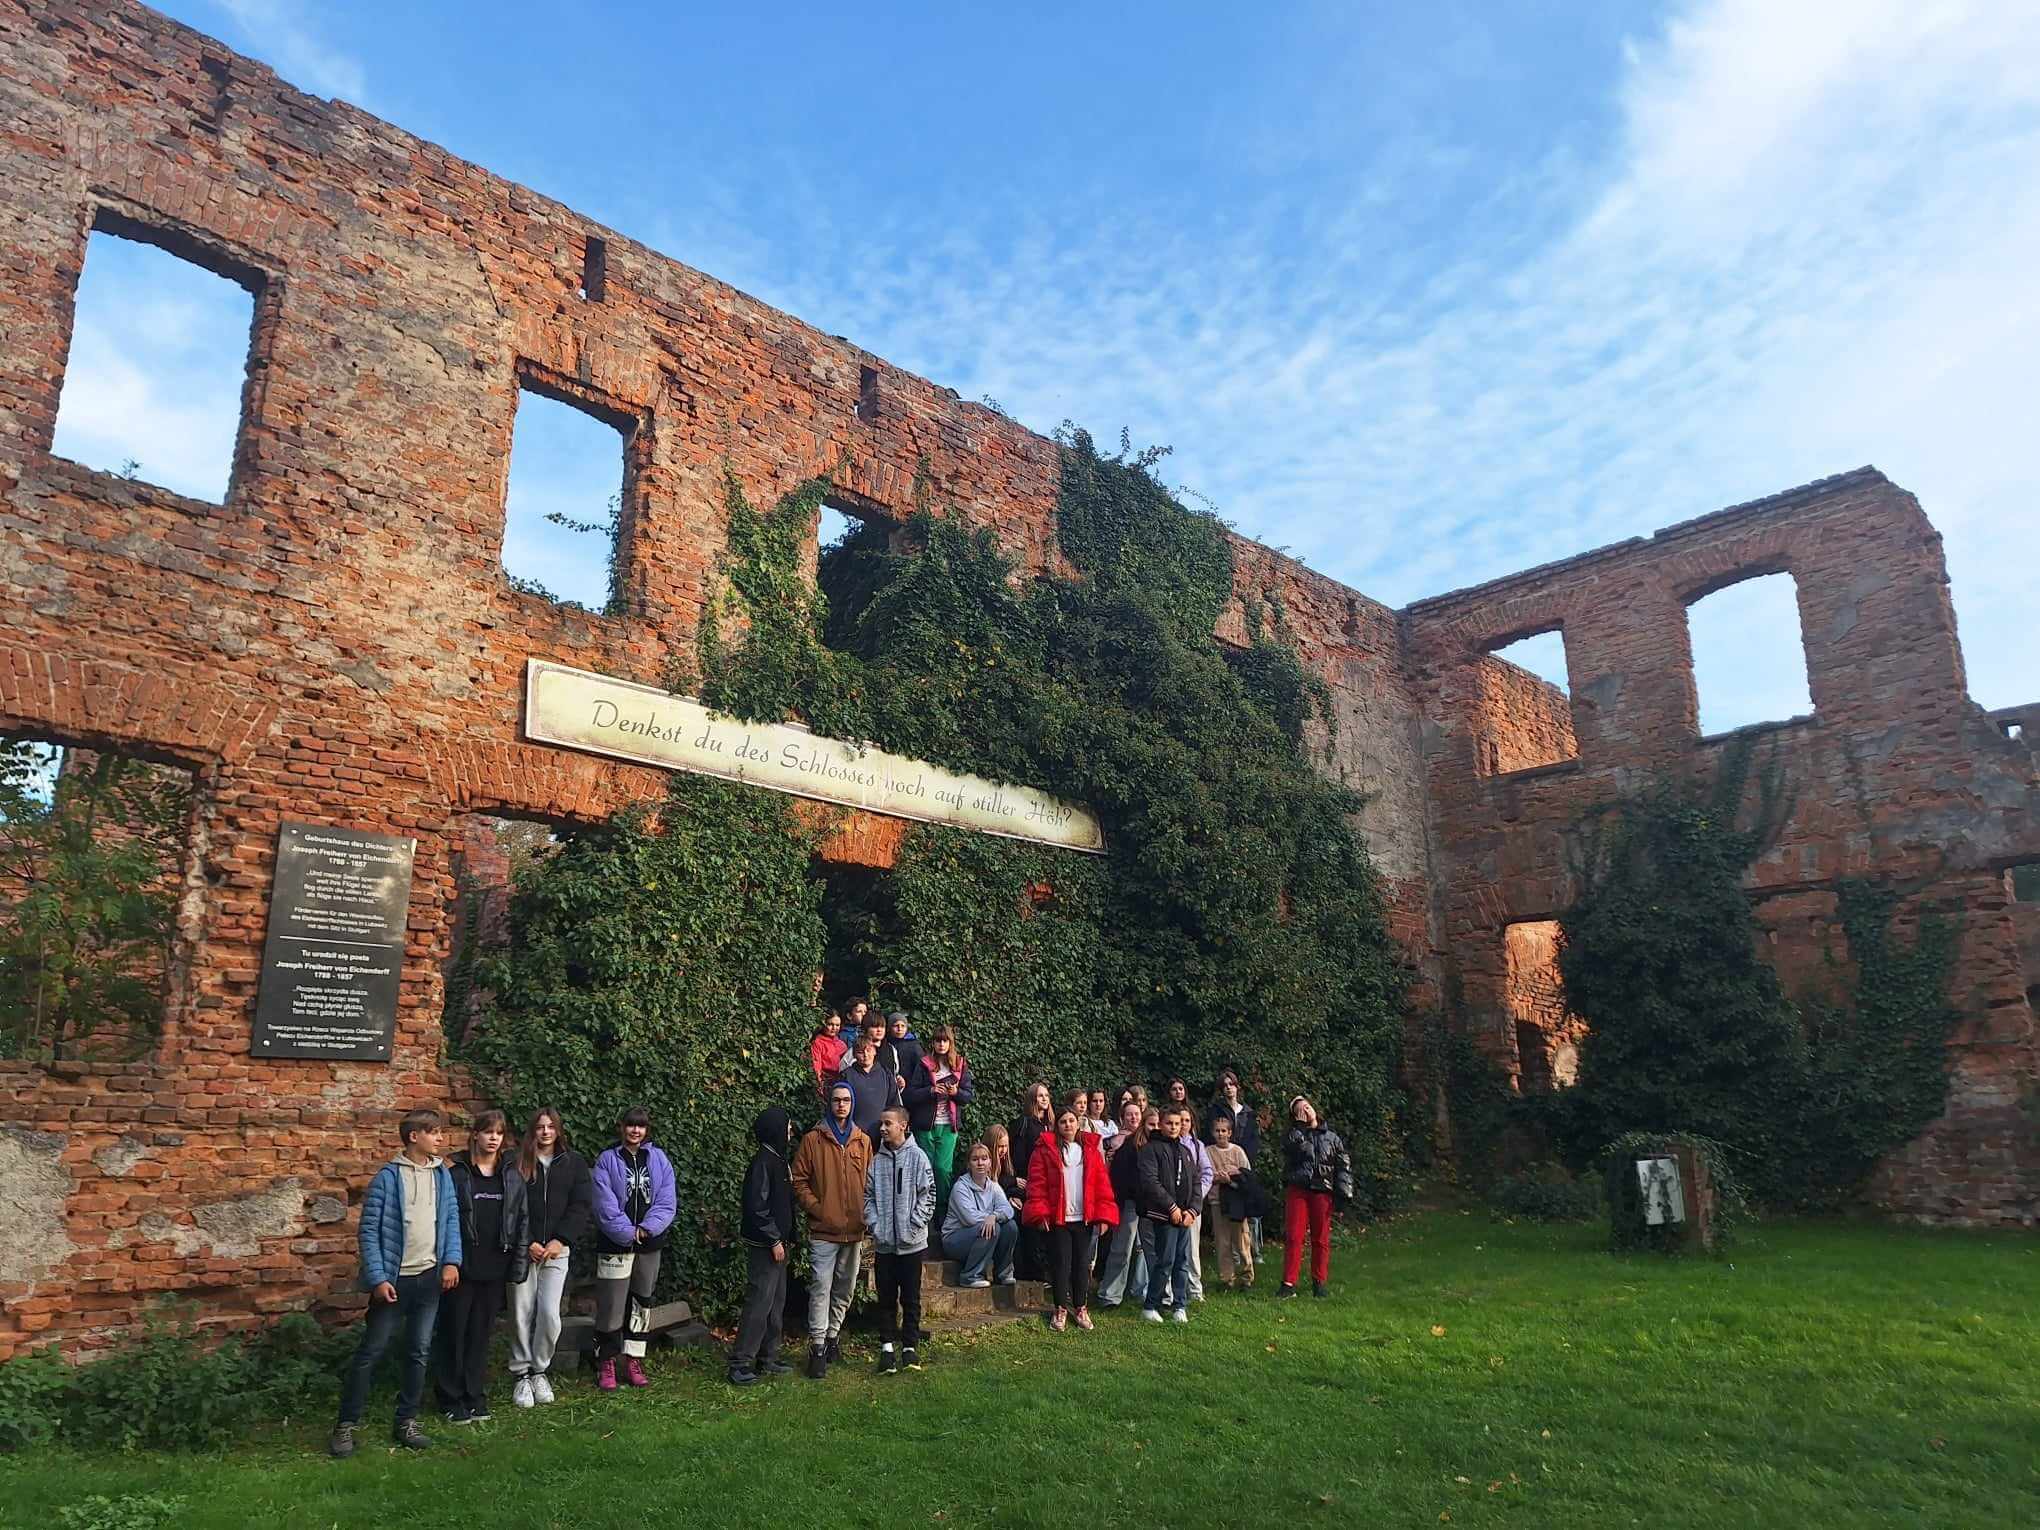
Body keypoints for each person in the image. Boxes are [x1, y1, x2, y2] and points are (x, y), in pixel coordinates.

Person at [330, 1107, 462, 1457]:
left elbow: (451, 1221)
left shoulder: (442, 1176)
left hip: (429, 1280)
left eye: (440, 1132)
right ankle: (346, 1425)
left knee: (418, 1352)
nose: (440, 1138)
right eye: (433, 1132)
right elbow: (369, 1230)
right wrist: (376, 1278)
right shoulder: (388, 1177)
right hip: (392, 1284)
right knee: (370, 1352)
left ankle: (407, 1420)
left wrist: (451, 1262)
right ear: (413, 1136)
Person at [435, 1110, 529, 1423]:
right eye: (487, 1132)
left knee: (480, 1334)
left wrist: (517, 1263)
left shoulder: (511, 1173)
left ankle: (475, 1395)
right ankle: (450, 1397)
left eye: (499, 1134)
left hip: (495, 1266)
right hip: (461, 1266)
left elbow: (521, 1220)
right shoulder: (456, 1170)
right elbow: (444, 1217)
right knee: (454, 1332)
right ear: (475, 1134)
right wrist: (448, 1260)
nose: (493, 1138)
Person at [509, 1106, 591, 1408]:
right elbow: (511, 1206)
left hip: (557, 1251)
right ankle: (521, 1374)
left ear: (558, 1130)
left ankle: (540, 1369)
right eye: (540, 1127)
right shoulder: (517, 1162)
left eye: (550, 1127)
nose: (545, 1132)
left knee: (549, 1315)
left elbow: (581, 1205)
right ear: (533, 1131)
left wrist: (561, 1239)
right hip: (523, 1252)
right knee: (520, 1313)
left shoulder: (574, 1163)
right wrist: (526, 1240)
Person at [591, 1107, 677, 1390]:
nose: (635, 1131)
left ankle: (634, 1358)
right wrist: (628, 1232)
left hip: (650, 1244)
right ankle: (607, 1361)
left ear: (646, 1130)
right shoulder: (606, 1160)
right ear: (622, 1127)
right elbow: (604, 1205)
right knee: (611, 1305)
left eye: (640, 1127)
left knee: (642, 1302)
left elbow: (666, 1201)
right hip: (614, 1244)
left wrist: (646, 1228)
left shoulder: (659, 1159)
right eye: (630, 1126)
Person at [791, 1080, 873, 1379]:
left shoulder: (863, 1141)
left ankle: (833, 1336)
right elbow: (798, 1179)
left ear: (852, 1104)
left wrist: (867, 1214)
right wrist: (818, 1208)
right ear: (830, 1103)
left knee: (845, 1288)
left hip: (854, 1230)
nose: (841, 1105)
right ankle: (817, 1347)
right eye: (837, 1100)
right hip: (823, 1231)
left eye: (846, 1101)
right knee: (820, 1287)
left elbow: (871, 1181)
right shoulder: (813, 1139)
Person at [1022, 1105, 1117, 1330]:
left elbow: (1102, 1183)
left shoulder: (1091, 1149)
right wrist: (1040, 1213)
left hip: (1084, 1218)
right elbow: (1037, 1184)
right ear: (1057, 1125)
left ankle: (1081, 1307)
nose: (1068, 1125)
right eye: (1063, 1121)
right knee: (1061, 1264)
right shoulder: (1044, 1149)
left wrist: (1103, 1216)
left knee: (1082, 1263)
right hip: (1059, 1218)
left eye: (1072, 1121)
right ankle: (1060, 1309)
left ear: (1078, 1122)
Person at [864, 1108, 935, 1374]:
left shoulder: (918, 1158)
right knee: (886, 1298)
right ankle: (886, 1349)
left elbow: (928, 1196)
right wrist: (876, 1225)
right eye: (881, 1123)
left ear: (903, 1125)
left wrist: (912, 1225)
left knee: (911, 1297)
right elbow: (868, 1196)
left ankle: (909, 1347)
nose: (882, 1128)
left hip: (911, 1245)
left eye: (887, 1123)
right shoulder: (877, 1161)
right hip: (884, 1245)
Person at [730, 1106, 795, 1385]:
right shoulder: (762, 1163)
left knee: (775, 1303)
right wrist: (774, 1239)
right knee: (759, 1302)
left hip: (781, 1245)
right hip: (766, 1246)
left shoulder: (779, 1160)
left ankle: (768, 1356)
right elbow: (756, 1207)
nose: (791, 1131)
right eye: (788, 1126)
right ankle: (740, 1363)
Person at [1279, 1095, 1353, 1299]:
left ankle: (1319, 1282)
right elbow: (1290, 1149)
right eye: (1299, 1110)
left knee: (1320, 1239)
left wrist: (1344, 1192)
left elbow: (1343, 1165)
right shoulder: (1294, 1134)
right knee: (1294, 1236)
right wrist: (1300, 1127)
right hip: (1299, 1189)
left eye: (1307, 1107)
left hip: (1323, 1190)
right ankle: (1288, 1284)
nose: (1305, 1111)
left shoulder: (1332, 1137)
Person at [904, 1024, 973, 1220]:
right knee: (925, 1169)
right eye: (938, 1040)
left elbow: (968, 1096)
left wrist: (955, 1093)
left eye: (945, 1040)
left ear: (951, 1043)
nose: (941, 1044)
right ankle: (923, 1211)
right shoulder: (924, 1064)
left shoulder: (960, 1064)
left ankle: (941, 1213)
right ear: (933, 1043)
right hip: (925, 1126)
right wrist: (931, 1091)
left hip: (949, 1126)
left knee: (943, 1170)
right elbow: (910, 1095)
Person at [1138, 1104, 1199, 1324]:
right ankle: (1150, 1305)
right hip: (1164, 1216)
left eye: (1178, 1123)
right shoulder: (1150, 1149)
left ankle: (1179, 1305)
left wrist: (1193, 1210)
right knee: (1165, 1260)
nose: (1174, 1127)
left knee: (1182, 1262)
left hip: (1185, 1217)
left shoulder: (1185, 1151)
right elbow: (1150, 1182)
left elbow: (1196, 1182)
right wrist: (1171, 1207)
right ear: (1161, 1124)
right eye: (1169, 1123)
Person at [1094, 1100, 1149, 1309]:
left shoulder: (1148, 1140)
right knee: (1121, 1248)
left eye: (1136, 1114)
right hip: (1125, 1201)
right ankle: (1110, 1295)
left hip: (1147, 1202)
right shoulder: (1114, 1142)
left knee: (1145, 1250)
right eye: (1129, 1115)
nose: (1133, 1118)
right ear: (1122, 1118)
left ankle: (1143, 1290)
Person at [941, 1141, 1019, 1286]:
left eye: (984, 1158)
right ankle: (970, 1276)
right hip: (955, 1239)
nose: (980, 1163)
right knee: (992, 1228)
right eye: (975, 1159)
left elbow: (1008, 1210)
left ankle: (1003, 1274)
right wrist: (991, 1219)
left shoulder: (994, 1187)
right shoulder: (960, 1188)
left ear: (990, 1162)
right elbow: (970, 1219)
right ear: (968, 1164)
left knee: (1011, 1226)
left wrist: (994, 1216)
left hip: (982, 1236)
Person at [1206, 1070, 1263, 1257]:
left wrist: (1244, 1165)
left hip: (1243, 1164)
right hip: (1222, 1164)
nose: (1229, 1088)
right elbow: (1213, 1135)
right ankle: (1234, 1256)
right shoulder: (1216, 1111)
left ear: (1237, 1087)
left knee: (1249, 1211)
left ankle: (1254, 1251)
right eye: (1225, 1086)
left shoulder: (1248, 1112)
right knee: (1227, 1211)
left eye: (1231, 1084)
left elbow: (1254, 1140)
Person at [1207, 1111, 1264, 1288]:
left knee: (1241, 1240)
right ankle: (1227, 1278)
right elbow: (1206, 1174)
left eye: (1224, 1131)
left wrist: (1234, 1176)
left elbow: (1247, 1173)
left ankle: (1247, 1277)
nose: (1220, 1134)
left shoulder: (1238, 1151)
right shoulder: (1209, 1151)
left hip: (1237, 1202)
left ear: (1230, 1133)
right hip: (1218, 1201)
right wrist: (1219, 1177)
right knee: (1223, 1242)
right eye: (1217, 1130)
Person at [1180, 1114, 1216, 1303]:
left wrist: (1196, 1197)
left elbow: (1207, 1173)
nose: (1183, 1124)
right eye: (1180, 1120)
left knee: (1192, 1249)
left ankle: (1194, 1289)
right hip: (1173, 1206)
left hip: (1193, 1206)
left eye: (1187, 1121)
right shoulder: (1167, 1145)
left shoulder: (1197, 1145)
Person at [838, 1029, 895, 1140]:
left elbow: (894, 1103)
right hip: (854, 1135)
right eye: (860, 1052)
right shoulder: (846, 1075)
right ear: (854, 1054)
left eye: (869, 1050)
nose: (865, 1055)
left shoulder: (886, 1074)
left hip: (882, 1134)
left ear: (875, 1051)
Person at [879, 1011, 924, 1103]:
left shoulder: (914, 1046)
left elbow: (919, 1069)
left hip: (910, 1089)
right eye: (896, 1026)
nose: (900, 1029)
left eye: (903, 1026)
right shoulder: (885, 1045)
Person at [809, 1010, 849, 1098]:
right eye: (830, 1024)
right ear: (824, 1024)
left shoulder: (842, 1044)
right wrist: (819, 1086)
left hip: (842, 1084)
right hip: (825, 1084)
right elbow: (816, 1066)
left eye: (837, 1025)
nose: (834, 1028)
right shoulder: (817, 1042)